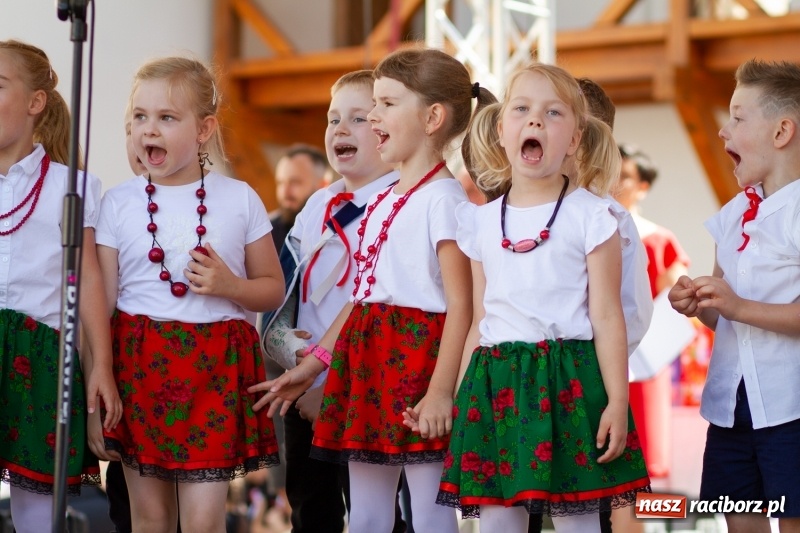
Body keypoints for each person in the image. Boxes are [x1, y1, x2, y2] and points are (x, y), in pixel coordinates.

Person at [250, 48, 495, 533]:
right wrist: (315, 364)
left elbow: (463, 308)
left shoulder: (444, 202)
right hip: (368, 362)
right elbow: (364, 299)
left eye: (383, 106)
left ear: (432, 118)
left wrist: (442, 392)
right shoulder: (384, 198)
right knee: (365, 513)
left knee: (427, 512)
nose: (373, 117)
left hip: (420, 362)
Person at [435, 62, 651, 533]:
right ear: (500, 129)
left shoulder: (594, 217)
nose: (535, 121)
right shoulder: (478, 222)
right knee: (497, 521)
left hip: (571, 379)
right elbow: (478, 319)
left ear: (575, 139)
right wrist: (457, 395)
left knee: (578, 521)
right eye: (522, 109)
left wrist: (617, 400)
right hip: (495, 383)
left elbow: (609, 318)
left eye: (553, 113)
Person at [95, 56, 284, 533]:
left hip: (214, 370)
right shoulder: (117, 202)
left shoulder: (239, 197)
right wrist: (98, 383)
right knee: (151, 518)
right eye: (140, 117)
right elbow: (102, 305)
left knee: (203, 521)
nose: (148, 129)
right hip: (140, 367)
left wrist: (231, 287)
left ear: (204, 129)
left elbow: (271, 289)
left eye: (166, 117)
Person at [260, 69, 405, 533]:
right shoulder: (316, 206)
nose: (339, 129)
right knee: (309, 503)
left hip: (365, 384)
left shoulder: (398, 203)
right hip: (306, 382)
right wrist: (294, 359)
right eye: (332, 118)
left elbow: (378, 301)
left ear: (386, 129)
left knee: (376, 511)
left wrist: (326, 372)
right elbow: (286, 293)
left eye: (358, 118)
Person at [669, 59, 800, 533]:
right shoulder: (732, 214)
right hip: (731, 406)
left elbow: (746, 309)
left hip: (790, 405)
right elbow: (727, 317)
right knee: (739, 520)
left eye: (739, 117)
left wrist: (737, 305)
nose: (724, 130)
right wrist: (701, 304)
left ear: (783, 131)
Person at [0, 40, 122, 533]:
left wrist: (102, 367)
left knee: (35, 503)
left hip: (39, 353)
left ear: (35, 103)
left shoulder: (70, 186)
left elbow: (89, 281)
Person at [524, 77, 653, 533]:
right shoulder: (511, 214)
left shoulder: (609, 219)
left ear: (584, 139)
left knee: (585, 513)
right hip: (519, 386)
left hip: (584, 386)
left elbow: (629, 312)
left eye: (554, 114)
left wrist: (598, 376)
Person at [614, 142, 690, 483]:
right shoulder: (587, 226)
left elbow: (677, 303)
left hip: (643, 359)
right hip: (594, 355)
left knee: (640, 468)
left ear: (643, 186)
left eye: (626, 177)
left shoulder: (658, 239)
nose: (616, 181)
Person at [270, 144, 328, 249]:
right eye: (281, 182)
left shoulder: (339, 232)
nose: (285, 192)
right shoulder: (266, 232)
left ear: (322, 186)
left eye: (295, 182)